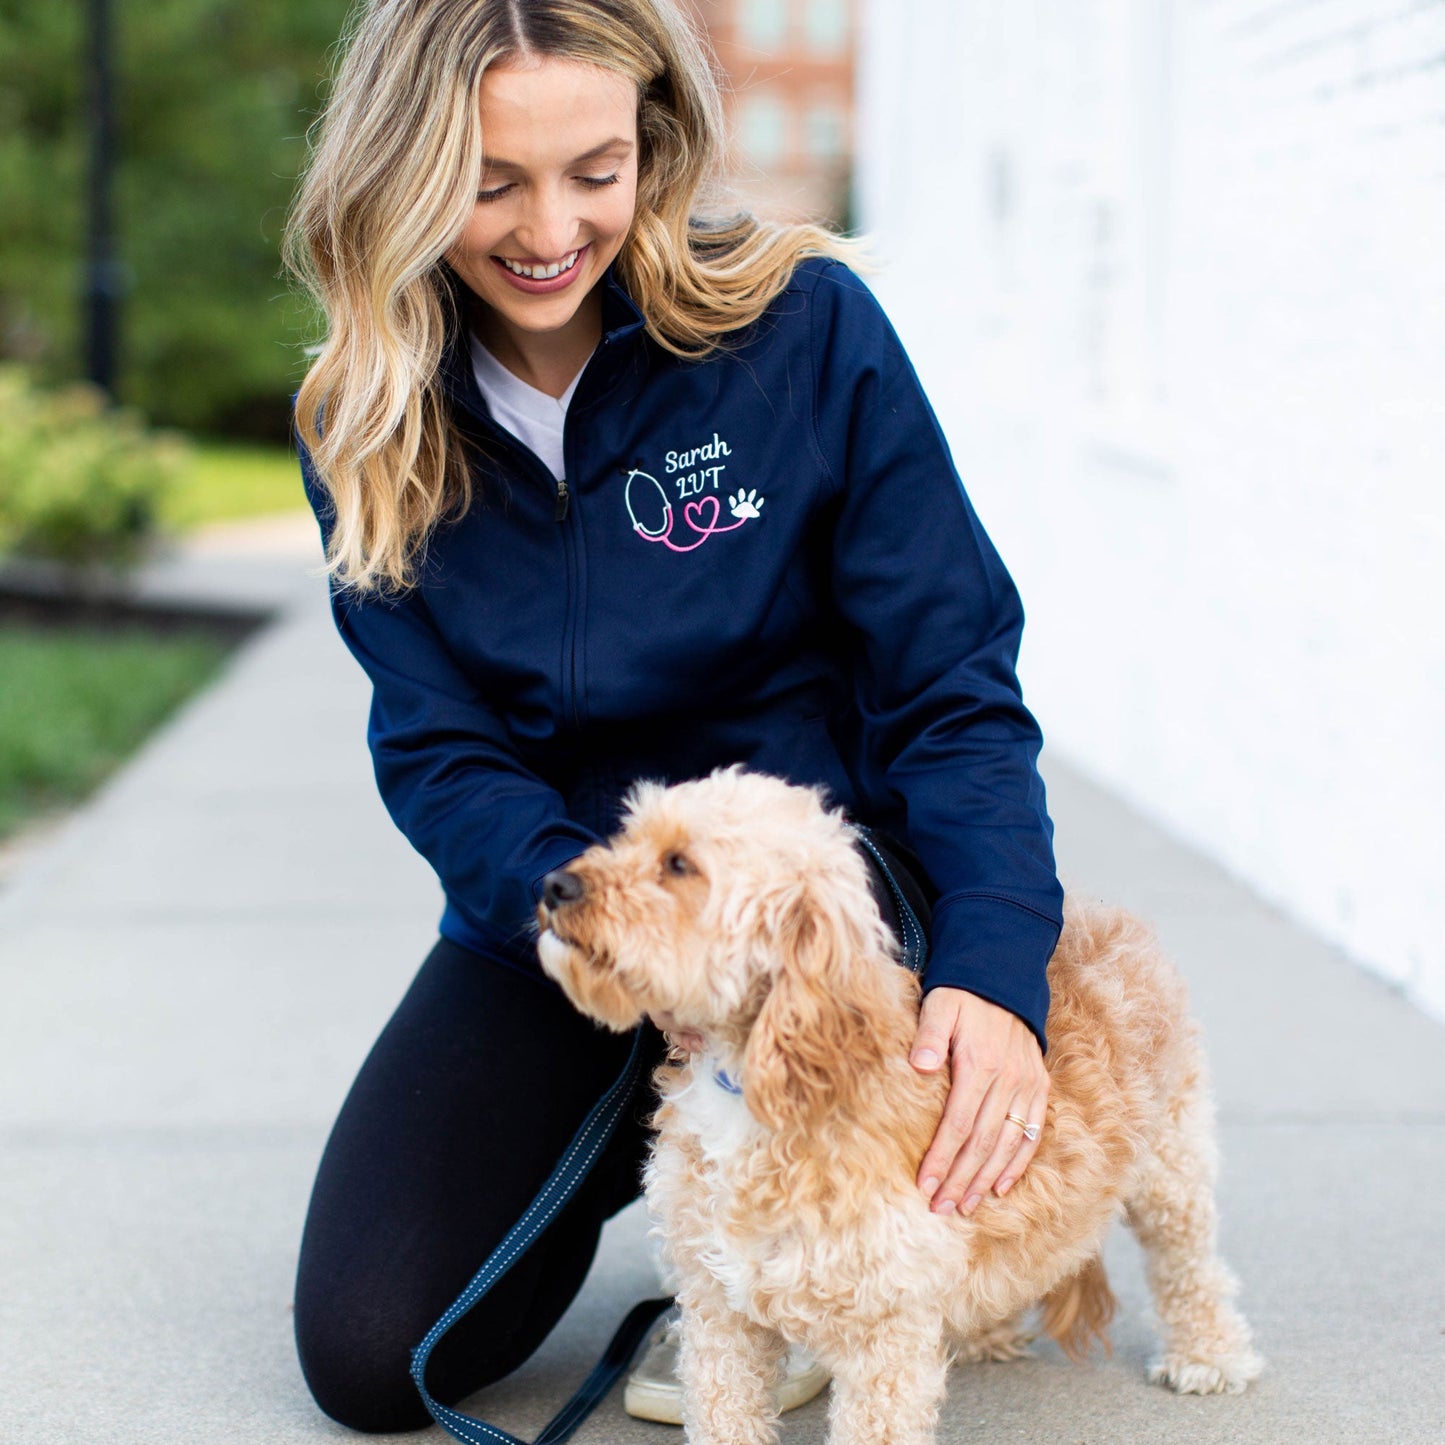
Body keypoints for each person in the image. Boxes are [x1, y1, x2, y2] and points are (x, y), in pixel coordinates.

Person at [285, 0, 1064, 1433]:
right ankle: (689, 1190)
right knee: (374, 1349)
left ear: (653, 143)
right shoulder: (363, 418)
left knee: (828, 1095)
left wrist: (999, 966)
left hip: (803, 910)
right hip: (566, 889)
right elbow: (436, 742)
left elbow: (952, 682)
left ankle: (788, 1268)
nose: (547, 229)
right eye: (488, 179)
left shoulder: (803, 330)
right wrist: (579, 919)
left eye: (594, 168)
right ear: (397, 174)